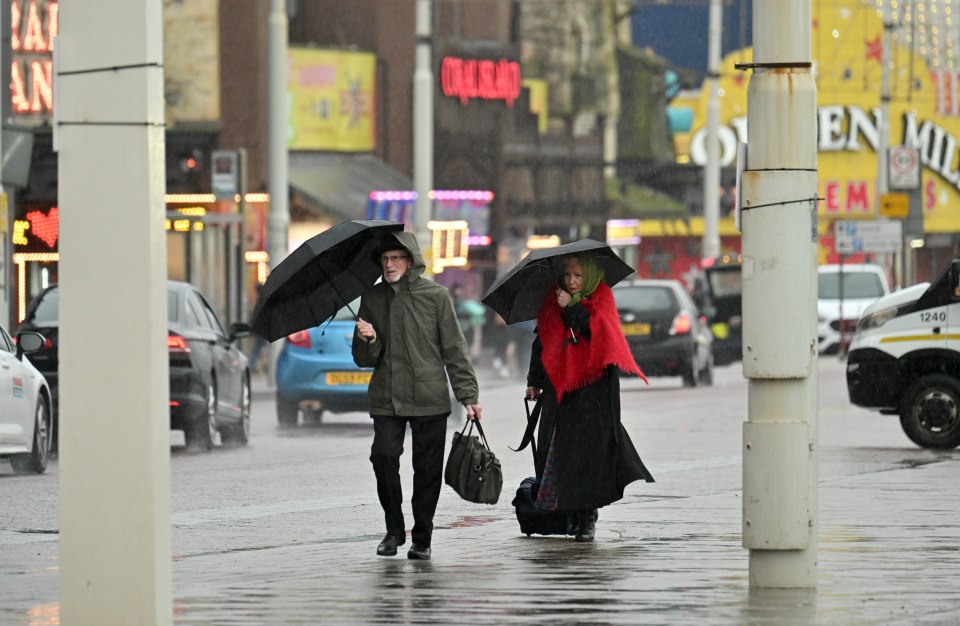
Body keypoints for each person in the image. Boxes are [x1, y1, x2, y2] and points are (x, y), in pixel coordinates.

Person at [353, 231, 483, 561]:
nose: (389, 264)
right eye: (384, 259)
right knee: (382, 456)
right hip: (387, 395)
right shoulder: (371, 297)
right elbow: (363, 359)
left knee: (426, 470)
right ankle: (394, 529)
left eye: (395, 258)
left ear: (410, 260)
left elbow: (454, 348)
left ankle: (422, 537)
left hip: (429, 396)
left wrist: (468, 396)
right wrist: (368, 340)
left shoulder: (436, 296)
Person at [524, 254, 654, 542]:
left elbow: (600, 334)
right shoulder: (554, 300)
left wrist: (572, 308)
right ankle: (569, 511)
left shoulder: (602, 297)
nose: (571, 281)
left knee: (588, 456)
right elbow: (542, 340)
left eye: (578, 276)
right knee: (558, 453)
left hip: (592, 392)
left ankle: (587, 517)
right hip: (559, 390)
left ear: (590, 277)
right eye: (567, 274)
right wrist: (534, 380)